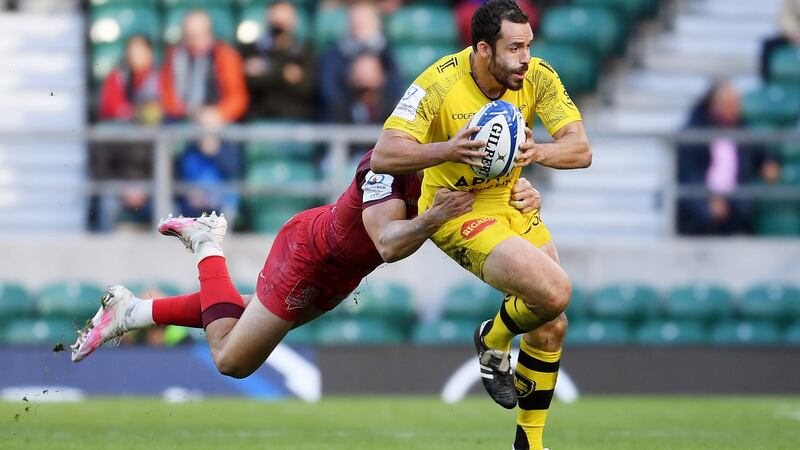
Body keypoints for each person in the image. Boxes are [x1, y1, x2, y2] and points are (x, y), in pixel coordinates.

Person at [70, 152, 543, 382]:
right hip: (311, 257)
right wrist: (438, 215)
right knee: (231, 358)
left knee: (244, 315)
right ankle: (207, 244)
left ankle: (133, 313)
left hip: (341, 273)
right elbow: (390, 242)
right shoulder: (386, 162)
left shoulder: (452, 166)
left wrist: (520, 197)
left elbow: (485, 202)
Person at [370, 0, 591, 448]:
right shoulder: (439, 82)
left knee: (553, 323)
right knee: (554, 292)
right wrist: (448, 150)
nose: (526, 58)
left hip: (513, 201)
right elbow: (384, 155)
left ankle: (529, 442)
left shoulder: (538, 76)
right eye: (514, 49)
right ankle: (493, 338)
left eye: (528, 45)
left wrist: (536, 154)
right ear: (484, 50)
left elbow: (581, 150)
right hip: (459, 209)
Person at [161, 10, 249, 219]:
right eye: (190, 35)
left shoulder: (225, 56)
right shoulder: (175, 57)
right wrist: (196, 117)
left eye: (199, 35)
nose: (194, 41)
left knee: (228, 150)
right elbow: (169, 99)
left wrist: (216, 117)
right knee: (172, 144)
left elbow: (237, 98)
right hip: (185, 122)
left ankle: (227, 212)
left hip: (220, 123)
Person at [677, 80, 777, 235]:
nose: (734, 110)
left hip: (735, 200)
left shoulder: (741, 127)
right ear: (714, 105)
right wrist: (707, 198)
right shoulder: (695, 132)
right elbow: (690, 173)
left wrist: (768, 161)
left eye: (736, 104)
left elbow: (760, 149)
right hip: (701, 201)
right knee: (703, 215)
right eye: (729, 104)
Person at [92, 34, 161, 232]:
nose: (135, 56)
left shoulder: (162, 80)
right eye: (131, 52)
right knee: (107, 204)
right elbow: (112, 109)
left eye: (140, 51)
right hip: (120, 177)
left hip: (151, 180)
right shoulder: (117, 79)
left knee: (169, 210)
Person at [319, 0, 401, 121]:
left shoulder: (387, 55)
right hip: (342, 124)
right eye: (356, 23)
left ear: (376, 24)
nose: (360, 27)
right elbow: (329, 94)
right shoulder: (333, 56)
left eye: (365, 23)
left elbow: (395, 91)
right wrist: (353, 81)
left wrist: (375, 83)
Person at [240, 0, 316, 121]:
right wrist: (286, 73)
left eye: (285, 20)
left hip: (297, 120)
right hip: (261, 118)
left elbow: (306, 88)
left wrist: (266, 70)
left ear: (294, 20)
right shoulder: (252, 49)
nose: (280, 27)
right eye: (277, 22)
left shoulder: (306, 51)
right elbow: (250, 82)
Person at [327, 52, 395, 125]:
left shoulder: (393, 111)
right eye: (359, 72)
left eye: (370, 71)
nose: (364, 78)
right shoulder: (340, 110)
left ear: (382, 76)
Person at [760, 0, 800, 79]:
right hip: (792, 34)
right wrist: (794, 33)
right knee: (768, 45)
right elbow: (784, 16)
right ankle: (767, 81)